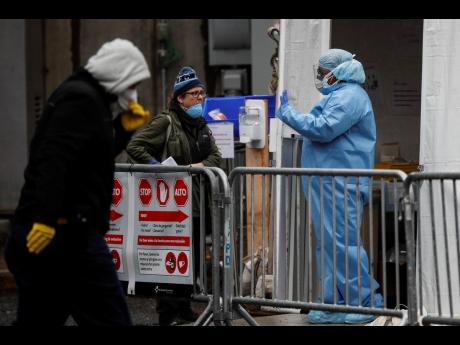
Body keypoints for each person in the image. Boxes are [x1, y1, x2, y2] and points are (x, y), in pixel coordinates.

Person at [4, 38, 151, 326]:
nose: (133, 94)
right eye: (132, 84)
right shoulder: (82, 100)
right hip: (67, 236)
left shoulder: (83, 97)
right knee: (111, 319)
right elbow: (53, 160)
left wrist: (120, 131)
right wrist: (45, 219)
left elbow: (87, 161)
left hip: (62, 236)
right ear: (118, 74)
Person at [276, 48, 383, 324]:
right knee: (328, 245)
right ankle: (334, 301)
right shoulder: (340, 95)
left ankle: (364, 302)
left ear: (337, 73)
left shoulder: (350, 97)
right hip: (328, 182)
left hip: (341, 182)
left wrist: (289, 114)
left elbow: (323, 128)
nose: (321, 78)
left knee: (343, 243)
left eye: (324, 74)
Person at [126, 66, 222, 325]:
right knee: (170, 256)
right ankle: (167, 312)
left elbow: (216, 156)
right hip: (171, 202)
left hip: (198, 202)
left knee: (192, 258)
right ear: (180, 98)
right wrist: (159, 169)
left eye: (202, 93)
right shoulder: (166, 122)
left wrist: (198, 167)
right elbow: (135, 146)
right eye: (193, 94)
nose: (199, 98)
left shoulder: (201, 125)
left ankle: (184, 307)